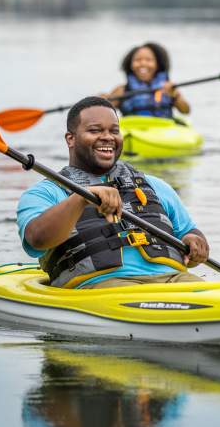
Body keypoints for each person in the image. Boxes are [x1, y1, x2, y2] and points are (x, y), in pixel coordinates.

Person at [16, 96, 209, 289]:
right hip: (104, 287)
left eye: (114, 131)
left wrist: (195, 242)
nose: (108, 136)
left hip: (174, 280)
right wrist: (80, 199)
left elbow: (189, 232)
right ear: (71, 139)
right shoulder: (45, 193)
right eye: (95, 130)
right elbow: (37, 240)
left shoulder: (155, 186)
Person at [105, 42, 190, 119]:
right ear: (130, 65)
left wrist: (175, 95)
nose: (143, 63)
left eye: (149, 60)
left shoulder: (169, 88)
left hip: (164, 131)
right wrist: (103, 100)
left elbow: (186, 111)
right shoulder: (122, 90)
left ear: (158, 64)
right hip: (133, 131)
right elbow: (104, 111)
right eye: (137, 60)